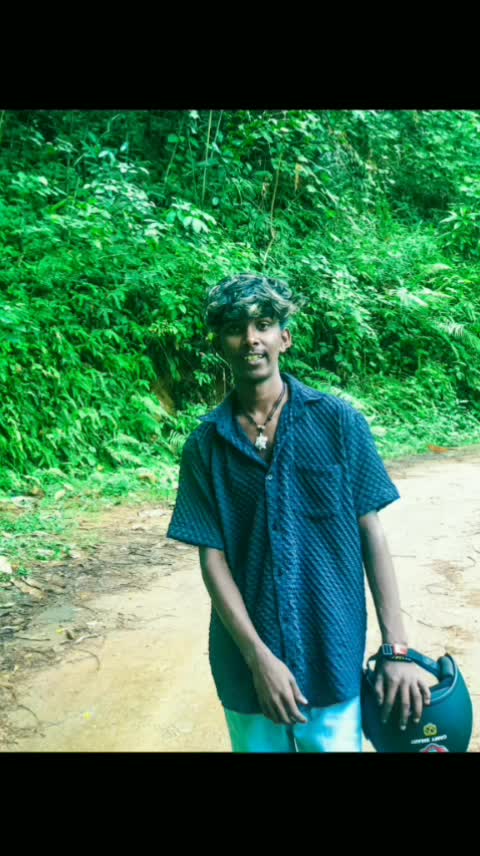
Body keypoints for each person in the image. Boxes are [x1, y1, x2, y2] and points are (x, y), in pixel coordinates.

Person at [167, 273, 431, 752]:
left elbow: (371, 533)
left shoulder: (339, 423)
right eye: (235, 328)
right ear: (220, 344)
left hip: (332, 655)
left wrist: (397, 649)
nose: (251, 338)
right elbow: (213, 560)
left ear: (283, 338)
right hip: (245, 669)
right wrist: (258, 659)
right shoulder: (204, 447)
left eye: (263, 325)